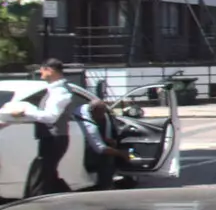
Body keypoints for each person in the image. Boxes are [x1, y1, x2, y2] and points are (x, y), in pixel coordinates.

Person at [12, 59, 74, 197]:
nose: (40, 72)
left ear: (50, 70)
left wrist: (25, 112)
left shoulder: (61, 92)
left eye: (42, 69)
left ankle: (39, 202)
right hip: (50, 138)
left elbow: (50, 117)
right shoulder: (53, 90)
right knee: (48, 173)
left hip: (55, 138)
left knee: (42, 174)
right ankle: (66, 197)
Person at [78, 98, 129, 190]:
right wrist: (122, 154)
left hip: (80, 143)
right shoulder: (89, 126)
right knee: (106, 157)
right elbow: (100, 148)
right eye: (100, 114)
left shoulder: (83, 108)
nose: (102, 117)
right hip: (81, 151)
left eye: (104, 113)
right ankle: (106, 186)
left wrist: (106, 139)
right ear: (92, 111)